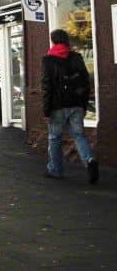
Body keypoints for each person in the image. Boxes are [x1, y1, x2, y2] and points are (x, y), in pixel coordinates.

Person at [42, 29, 98, 184]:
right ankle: (90, 160)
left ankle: (55, 169)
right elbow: (86, 82)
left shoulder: (48, 60)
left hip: (58, 105)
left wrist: (46, 109)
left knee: (54, 138)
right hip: (76, 104)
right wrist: (84, 104)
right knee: (79, 136)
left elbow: (47, 86)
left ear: (53, 41)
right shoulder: (77, 57)